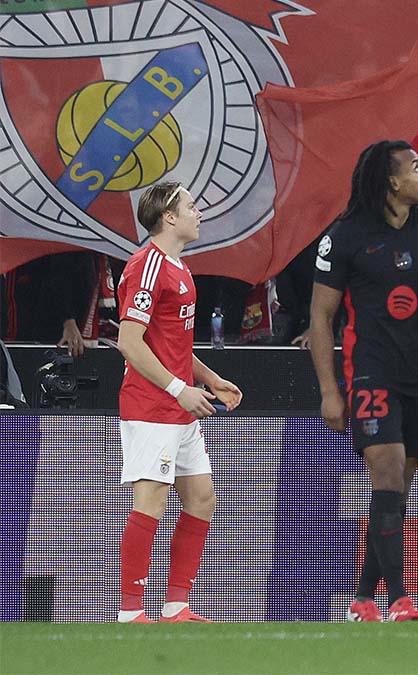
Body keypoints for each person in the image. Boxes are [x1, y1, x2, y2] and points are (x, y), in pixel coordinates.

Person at [309, 140, 418, 623]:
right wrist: (329, 390)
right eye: (415, 167)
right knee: (386, 476)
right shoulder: (344, 236)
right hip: (369, 369)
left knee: (395, 492)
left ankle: (363, 596)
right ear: (391, 182)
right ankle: (399, 598)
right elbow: (320, 318)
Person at [114, 181, 243, 623]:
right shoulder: (146, 268)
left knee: (202, 497)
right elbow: (129, 342)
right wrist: (179, 389)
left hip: (179, 405)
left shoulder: (180, 269)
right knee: (151, 497)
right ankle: (131, 612)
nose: (198, 211)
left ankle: (176, 605)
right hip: (151, 406)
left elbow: (171, 345)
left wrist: (210, 379)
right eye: (190, 205)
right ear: (169, 216)